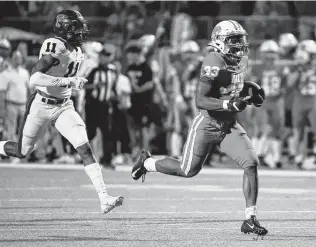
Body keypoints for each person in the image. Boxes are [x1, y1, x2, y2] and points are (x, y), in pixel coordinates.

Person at [131, 20, 268, 238]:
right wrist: (228, 104)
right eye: (234, 40)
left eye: (240, 39)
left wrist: (250, 91)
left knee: (251, 163)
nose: (239, 45)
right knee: (188, 170)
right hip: (207, 123)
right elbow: (201, 99)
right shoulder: (213, 59)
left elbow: (233, 84)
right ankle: (147, 162)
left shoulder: (240, 58)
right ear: (220, 41)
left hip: (229, 124)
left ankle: (250, 219)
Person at [0, 10, 124, 213]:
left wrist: (73, 83)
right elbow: (35, 78)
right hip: (41, 104)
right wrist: (69, 81)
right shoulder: (56, 46)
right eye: (76, 27)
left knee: (84, 147)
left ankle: (104, 198)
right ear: (64, 28)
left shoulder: (78, 49)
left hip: (64, 106)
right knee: (22, 151)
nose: (81, 31)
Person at [251, 40, 286, 169]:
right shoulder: (257, 67)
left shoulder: (282, 67)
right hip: (263, 100)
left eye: (272, 52)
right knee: (265, 128)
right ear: (262, 54)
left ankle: (276, 159)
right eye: (267, 52)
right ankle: (259, 154)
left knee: (276, 131)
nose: (270, 56)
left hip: (277, 101)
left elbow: (284, 86)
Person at [83, 44, 118, 168]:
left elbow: (113, 87)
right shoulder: (94, 70)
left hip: (105, 105)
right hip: (93, 105)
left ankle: (107, 159)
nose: (105, 59)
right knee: (91, 132)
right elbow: (84, 85)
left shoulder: (112, 71)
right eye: (103, 56)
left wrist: (114, 98)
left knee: (107, 132)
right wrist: (95, 86)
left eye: (107, 57)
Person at [287, 40, 316, 169]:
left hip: (313, 99)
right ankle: (297, 156)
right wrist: (299, 69)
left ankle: (311, 155)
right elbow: (289, 83)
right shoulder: (296, 66)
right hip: (299, 99)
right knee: (297, 129)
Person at [0, 50, 30, 162]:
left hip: (23, 104)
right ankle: (12, 155)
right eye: (16, 57)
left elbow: (29, 89)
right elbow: (2, 94)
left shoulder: (25, 73)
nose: (18, 59)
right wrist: (2, 109)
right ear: (12, 59)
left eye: (19, 57)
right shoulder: (5, 74)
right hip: (11, 104)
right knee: (11, 130)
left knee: (23, 130)